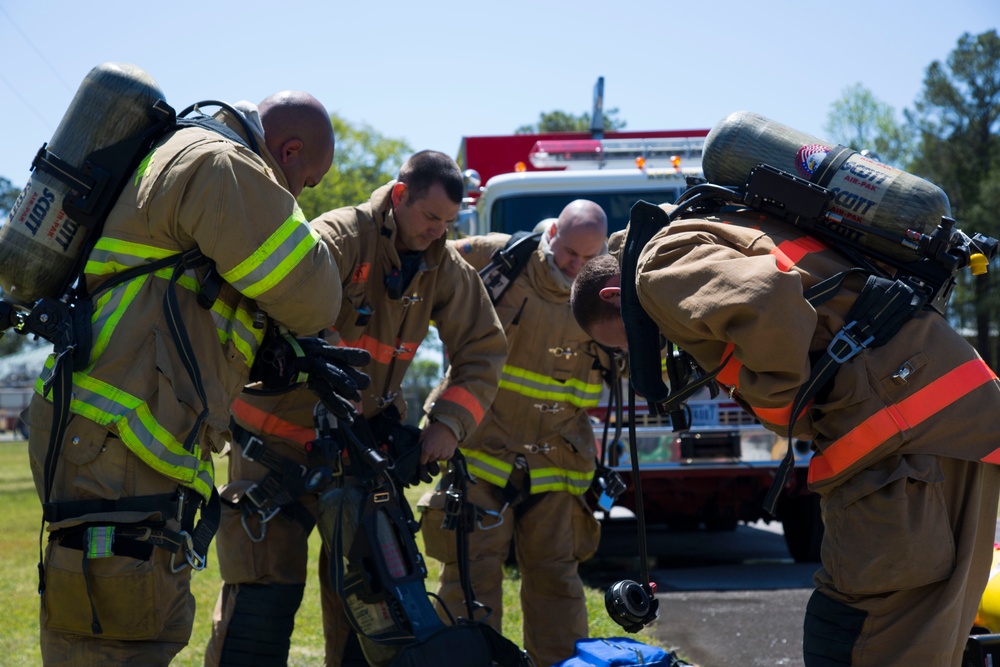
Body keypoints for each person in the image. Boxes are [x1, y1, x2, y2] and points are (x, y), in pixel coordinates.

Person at [569, 202, 1000, 666]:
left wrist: (780, 405)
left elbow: (768, 300)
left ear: (615, 295)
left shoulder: (657, 265)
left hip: (904, 439)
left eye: (624, 341)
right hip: (945, 422)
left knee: (865, 631)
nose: (640, 349)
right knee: (927, 626)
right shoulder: (703, 232)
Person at [24, 90, 363, 666]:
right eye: (307, 181)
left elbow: (176, 301)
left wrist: (266, 355)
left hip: (106, 444)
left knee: (110, 628)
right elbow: (315, 298)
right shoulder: (225, 164)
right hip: (118, 448)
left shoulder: (183, 158)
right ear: (289, 149)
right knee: (120, 641)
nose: (301, 195)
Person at [205, 150, 508, 667]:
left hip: (357, 458)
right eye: (430, 217)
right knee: (261, 599)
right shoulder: (337, 238)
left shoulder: (443, 267)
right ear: (398, 196)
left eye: (448, 224)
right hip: (270, 456)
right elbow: (274, 310)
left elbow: (483, 348)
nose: (438, 232)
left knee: (371, 604)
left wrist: (447, 425)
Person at [419, 200, 613, 667]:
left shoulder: (607, 286)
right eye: (569, 252)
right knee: (470, 578)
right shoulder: (500, 259)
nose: (576, 266)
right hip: (482, 452)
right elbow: (425, 263)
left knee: (557, 582)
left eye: (589, 259)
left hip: (558, 462)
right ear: (552, 235)